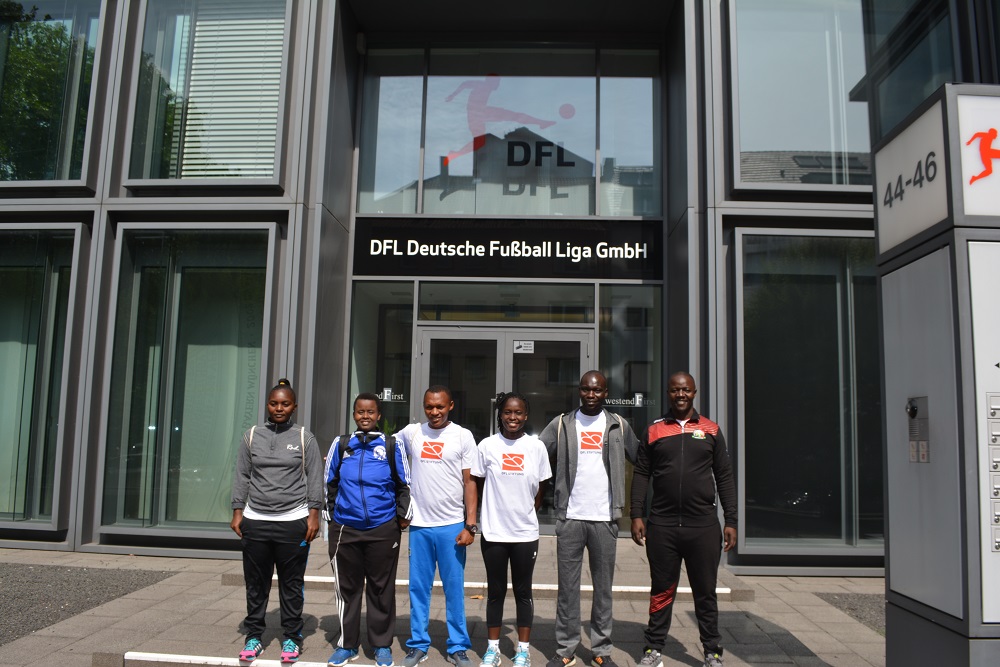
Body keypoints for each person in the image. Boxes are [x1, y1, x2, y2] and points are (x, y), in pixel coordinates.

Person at [630, 372, 737, 667]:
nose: (681, 394)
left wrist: (731, 520)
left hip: (702, 526)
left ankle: (712, 651)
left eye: (686, 390)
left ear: (694, 392)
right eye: (676, 390)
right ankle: (653, 650)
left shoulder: (711, 429)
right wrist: (636, 513)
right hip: (662, 526)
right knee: (661, 590)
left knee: (705, 592)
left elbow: (724, 476)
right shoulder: (653, 431)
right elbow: (641, 474)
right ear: (668, 392)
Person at [538, 371, 640, 667]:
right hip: (570, 517)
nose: (591, 394)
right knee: (567, 588)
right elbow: (534, 454)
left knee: (603, 587)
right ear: (579, 391)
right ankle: (566, 649)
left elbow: (642, 459)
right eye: (586, 389)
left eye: (597, 390)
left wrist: (640, 509)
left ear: (605, 392)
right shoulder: (562, 424)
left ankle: (601, 649)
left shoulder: (618, 425)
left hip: (605, 518)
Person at [231, 378, 323, 664]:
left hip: (293, 520)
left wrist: (314, 514)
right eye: (274, 403)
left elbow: (315, 478)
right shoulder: (251, 436)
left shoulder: (304, 438)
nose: (279, 408)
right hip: (255, 520)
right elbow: (243, 475)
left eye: (285, 403)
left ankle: (292, 638)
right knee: (255, 583)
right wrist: (237, 511)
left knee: (291, 584)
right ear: (267, 405)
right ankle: (254, 636)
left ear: (294, 406)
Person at [325, 393, 412, 667]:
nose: (365, 416)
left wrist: (400, 518)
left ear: (378, 415)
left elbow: (405, 484)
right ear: (354, 414)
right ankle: (346, 645)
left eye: (371, 412)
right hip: (346, 529)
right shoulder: (340, 444)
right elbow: (328, 482)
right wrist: (333, 520)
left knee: (380, 588)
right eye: (360, 411)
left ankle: (381, 645)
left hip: (382, 528)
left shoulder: (390, 444)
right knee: (347, 590)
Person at [396, 386, 478, 667]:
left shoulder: (463, 436)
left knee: (454, 588)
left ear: (450, 406)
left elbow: (470, 482)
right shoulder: (411, 433)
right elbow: (383, 450)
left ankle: (457, 646)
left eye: (440, 407)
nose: (434, 412)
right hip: (419, 525)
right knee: (418, 588)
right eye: (429, 407)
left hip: (452, 526)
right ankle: (418, 645)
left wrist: (471, 525)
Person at [472, 392, 552, 667]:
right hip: (494, 532)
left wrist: (525, 512)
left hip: (525, 534)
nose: (513, 417)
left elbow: (541, 488)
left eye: (518, 413)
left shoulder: (536, 447)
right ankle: (493, 649)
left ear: (526, 415)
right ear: (501, 414)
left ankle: (523, 650)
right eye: (508, 412)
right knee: (495, 591)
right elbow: (478, 484)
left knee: (523, 591)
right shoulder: (487, 446)